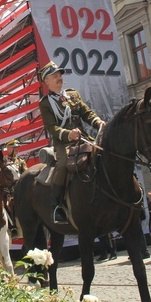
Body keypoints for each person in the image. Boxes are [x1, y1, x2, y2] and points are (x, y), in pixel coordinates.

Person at [38, 61, 104, 224]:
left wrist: (98, 122)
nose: (59, 77)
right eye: (55, 76)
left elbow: (86, 113)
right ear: (47, 81)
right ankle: (57, 206)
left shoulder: (72, 94)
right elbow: (52, 127)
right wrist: (69, 135)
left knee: (102, 153)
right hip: (63, 143)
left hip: (83, 137)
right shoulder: (45, 103)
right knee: (62, 165)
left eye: (60, 74)